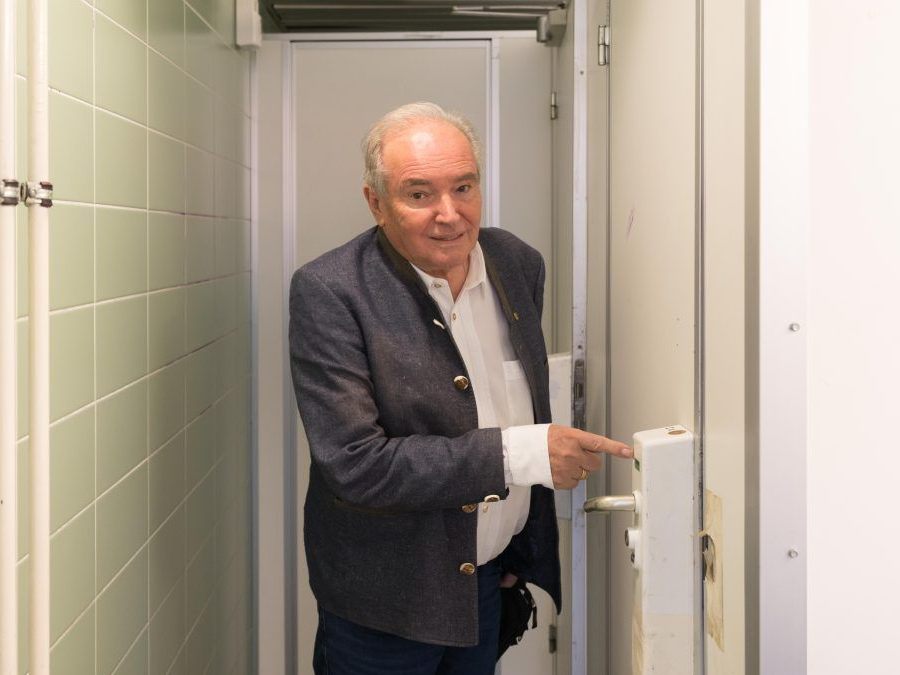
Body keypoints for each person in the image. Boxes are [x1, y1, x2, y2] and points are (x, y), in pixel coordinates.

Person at [289, 101, 632, 675]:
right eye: (419, 194)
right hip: (385, 603)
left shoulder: (516, 263)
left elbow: (511, 397)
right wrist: (522, 455)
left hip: (486, 581)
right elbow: (354, 464)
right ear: (376, 203)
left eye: (464, 188)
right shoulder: (331, 291)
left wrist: (517, 549)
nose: (449, 215)